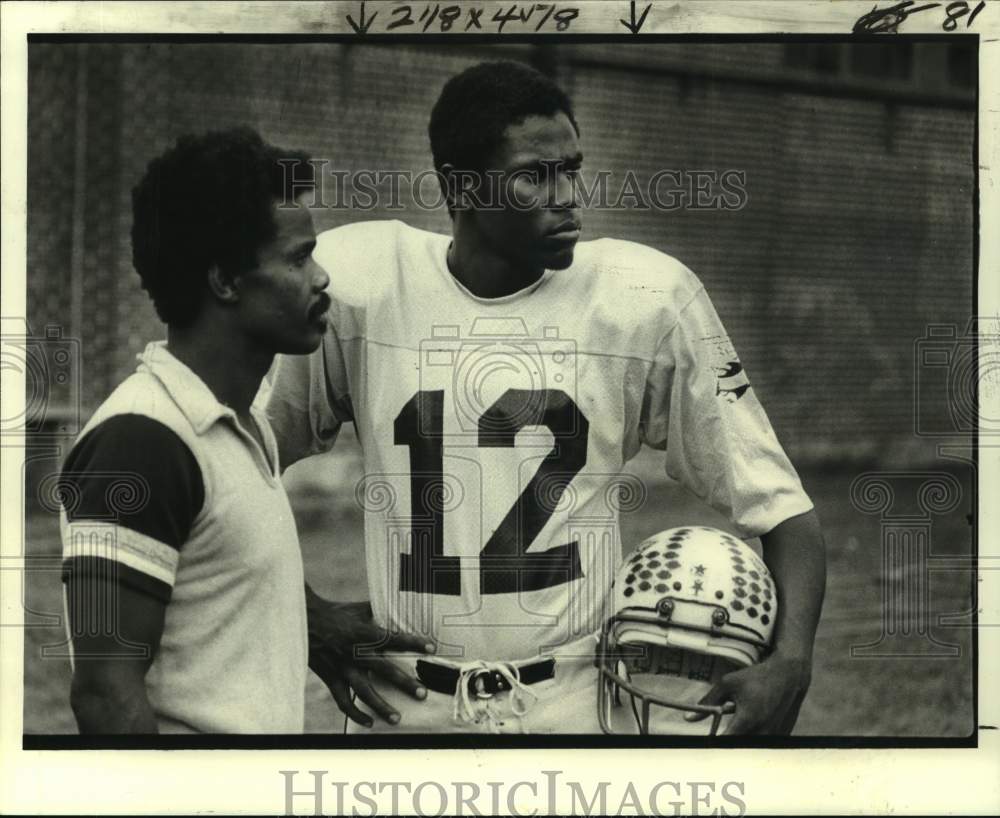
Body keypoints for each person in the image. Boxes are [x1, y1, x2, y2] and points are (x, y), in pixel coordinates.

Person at [268, 60, 826, 734]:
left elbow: (784, 509)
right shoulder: (362, 284)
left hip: (572, 705)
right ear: (461, 186)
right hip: (408, 711)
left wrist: (792, 660)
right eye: (535, 175)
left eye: (572, 169)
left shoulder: (643, 298)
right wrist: (310, 617)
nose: (567, 196)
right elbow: (230, 465)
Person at [59, 128, 330, 733]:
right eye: (297, 257)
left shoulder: (240, 422)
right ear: (226, 281)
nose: (320, 278)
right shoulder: (140, 440)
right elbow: (104, 694)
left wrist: (321, 628)